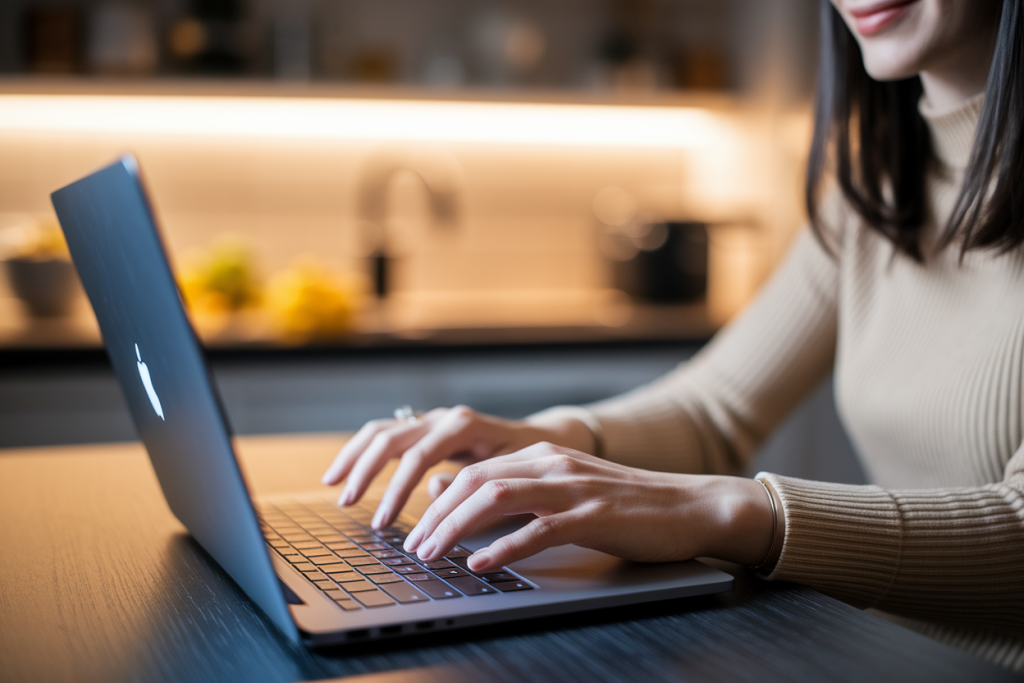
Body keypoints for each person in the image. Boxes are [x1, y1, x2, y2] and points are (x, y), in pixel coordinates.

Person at [323, 0, 1024, 670]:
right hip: (890, 654)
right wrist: (544, 440)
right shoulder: (874, 184)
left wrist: (723, 509)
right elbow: (716, 406)